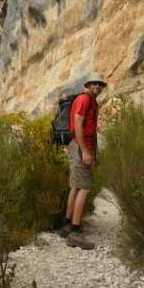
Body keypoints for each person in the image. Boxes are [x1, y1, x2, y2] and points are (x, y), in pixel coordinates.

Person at [58, 72, 107, 250]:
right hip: (79, 145)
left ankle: (67, 225)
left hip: (81, 145)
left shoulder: (93, 102)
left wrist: (94, 152)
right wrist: (85, 151)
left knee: (76, 186)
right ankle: (75, 233)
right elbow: (78, 124)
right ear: (87, 85)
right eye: (94, 83)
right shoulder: (84, 99)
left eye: (100, 84)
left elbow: (91, 129)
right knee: (84, 187)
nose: (97, 87)